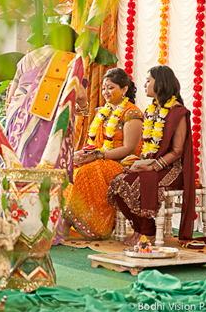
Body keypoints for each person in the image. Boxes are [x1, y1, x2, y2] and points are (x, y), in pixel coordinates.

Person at [106, 65, 195, 245]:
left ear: (160, 84)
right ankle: (141, 229)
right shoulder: (151, 111)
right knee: (117, 183)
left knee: (136, 183)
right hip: (151, 165)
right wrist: (140, 161)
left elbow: (177, 151)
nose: (144, 85)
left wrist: (152, 166)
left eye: (149, 81)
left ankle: (147, 232)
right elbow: (149, 147)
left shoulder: (178, 112)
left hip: (172, 169)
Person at [60, 68, 143, 241]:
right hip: (100, 159)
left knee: (85, 173)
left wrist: (97, 156)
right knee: (69, 168)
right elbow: (94, 144)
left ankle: (66, 226)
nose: (105, 92)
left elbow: (129, 148)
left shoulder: (132, 114)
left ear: (124, 89)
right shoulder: (102, 112)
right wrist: (82, 154)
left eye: (110, 88)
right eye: (104, 88)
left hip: (122, 164)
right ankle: (63, 220)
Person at [5, 25, 88, 172]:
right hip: (45, 119)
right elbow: (80, 95)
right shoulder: (69, 59)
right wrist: (83, 107)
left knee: (16, 170)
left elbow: (11, 95)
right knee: (44, 173)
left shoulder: (27, 58)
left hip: (16, 120)